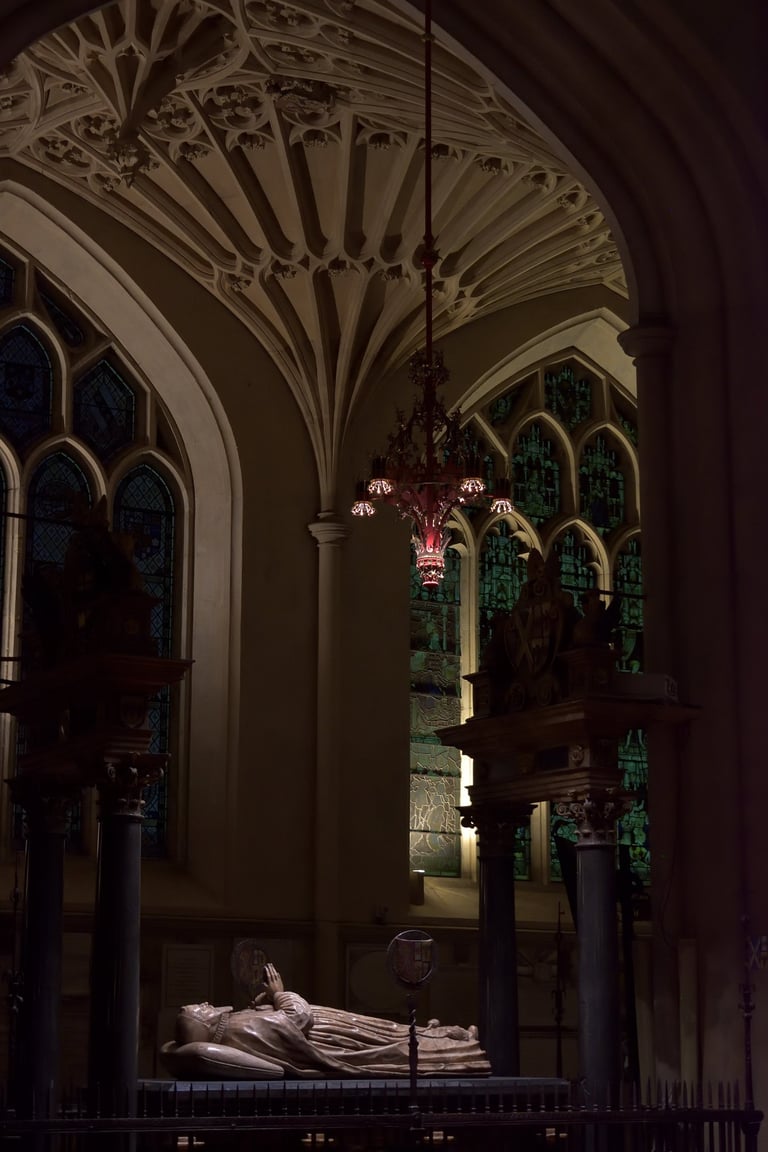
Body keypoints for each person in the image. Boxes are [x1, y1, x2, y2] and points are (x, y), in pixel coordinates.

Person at [161, 963, 490, 1079]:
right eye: (200, 1007)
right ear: (204, 1022)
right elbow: (295, 1019)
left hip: (327, 1030)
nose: (206, 1003)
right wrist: (279, 993)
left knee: (394, 1034)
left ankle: (451, 1038)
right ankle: (459, 1046)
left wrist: (260, 1008)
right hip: (329, 1036)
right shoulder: (235, 1028)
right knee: (392, 1041)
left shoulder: (232, 1025)